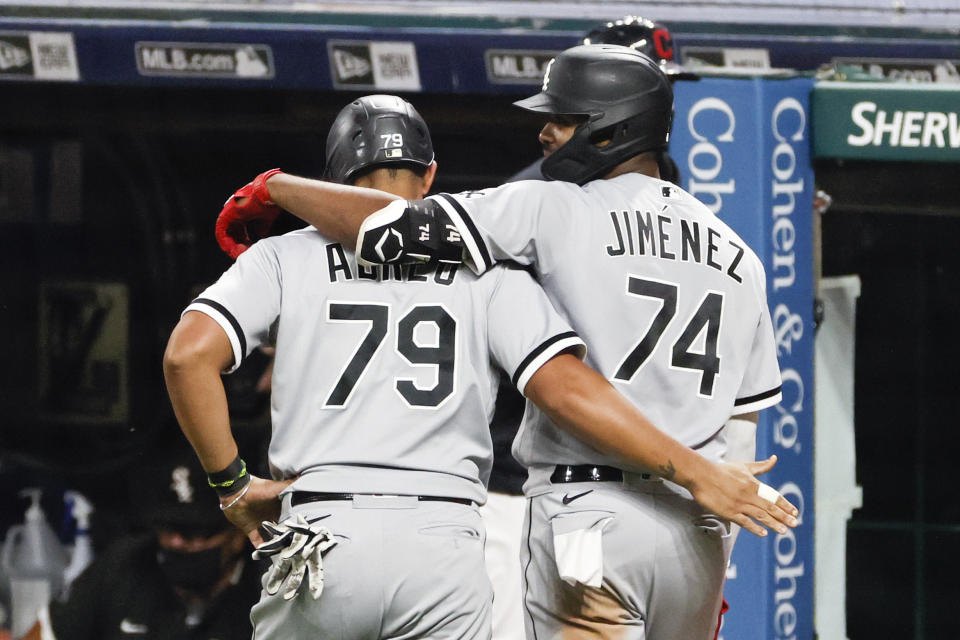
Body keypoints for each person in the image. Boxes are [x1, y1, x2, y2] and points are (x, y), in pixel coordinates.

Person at [213, 45, 795, 639]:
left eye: (561, 119)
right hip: (698, 529)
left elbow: (390, 230)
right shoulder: (740, 257)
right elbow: (738, 430)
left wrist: (277, 187)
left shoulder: (552, 206)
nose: (545, 134)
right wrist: (717, 544)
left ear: (608, 129)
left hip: (590, 512)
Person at [17, 440, 263, 640]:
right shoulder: (126, 564)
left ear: (237, 534)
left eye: (192, 532)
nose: (177, 542)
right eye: (168, 528)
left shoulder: (266, 587)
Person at [509, 15, 697, 185]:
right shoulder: (538, 191)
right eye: (644, 89)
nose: (661, 102)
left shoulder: (665, 170)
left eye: (666, 86)